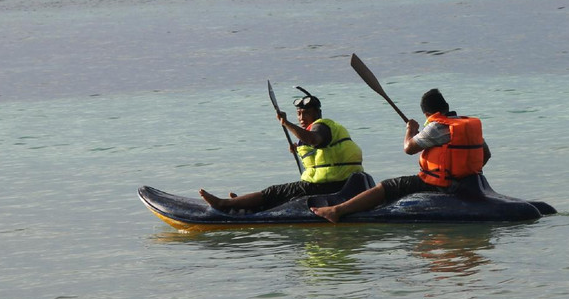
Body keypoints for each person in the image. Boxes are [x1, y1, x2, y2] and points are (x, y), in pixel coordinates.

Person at [311, 88, 490, 223]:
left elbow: (409, 148)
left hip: (439, 184)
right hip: (468, 181)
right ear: (446, 107)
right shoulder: (465, 125)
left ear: (428, 114)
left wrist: (410, 131)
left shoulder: (436, 127)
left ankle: (337, 211)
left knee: (386, 186)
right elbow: (486, 154)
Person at [199, 87, 364, 212]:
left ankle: (223, 204)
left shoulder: (322, 126)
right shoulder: (323, 129)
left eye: (306, 114)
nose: (301, 118)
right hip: (333, 182)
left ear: (317, 113)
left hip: (329, 186)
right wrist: (298, 148)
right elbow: (320, 150)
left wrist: (286, 123)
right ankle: (244, 202)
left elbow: (314, 139)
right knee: (286, 195)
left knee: (275, 191)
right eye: (298, 114)